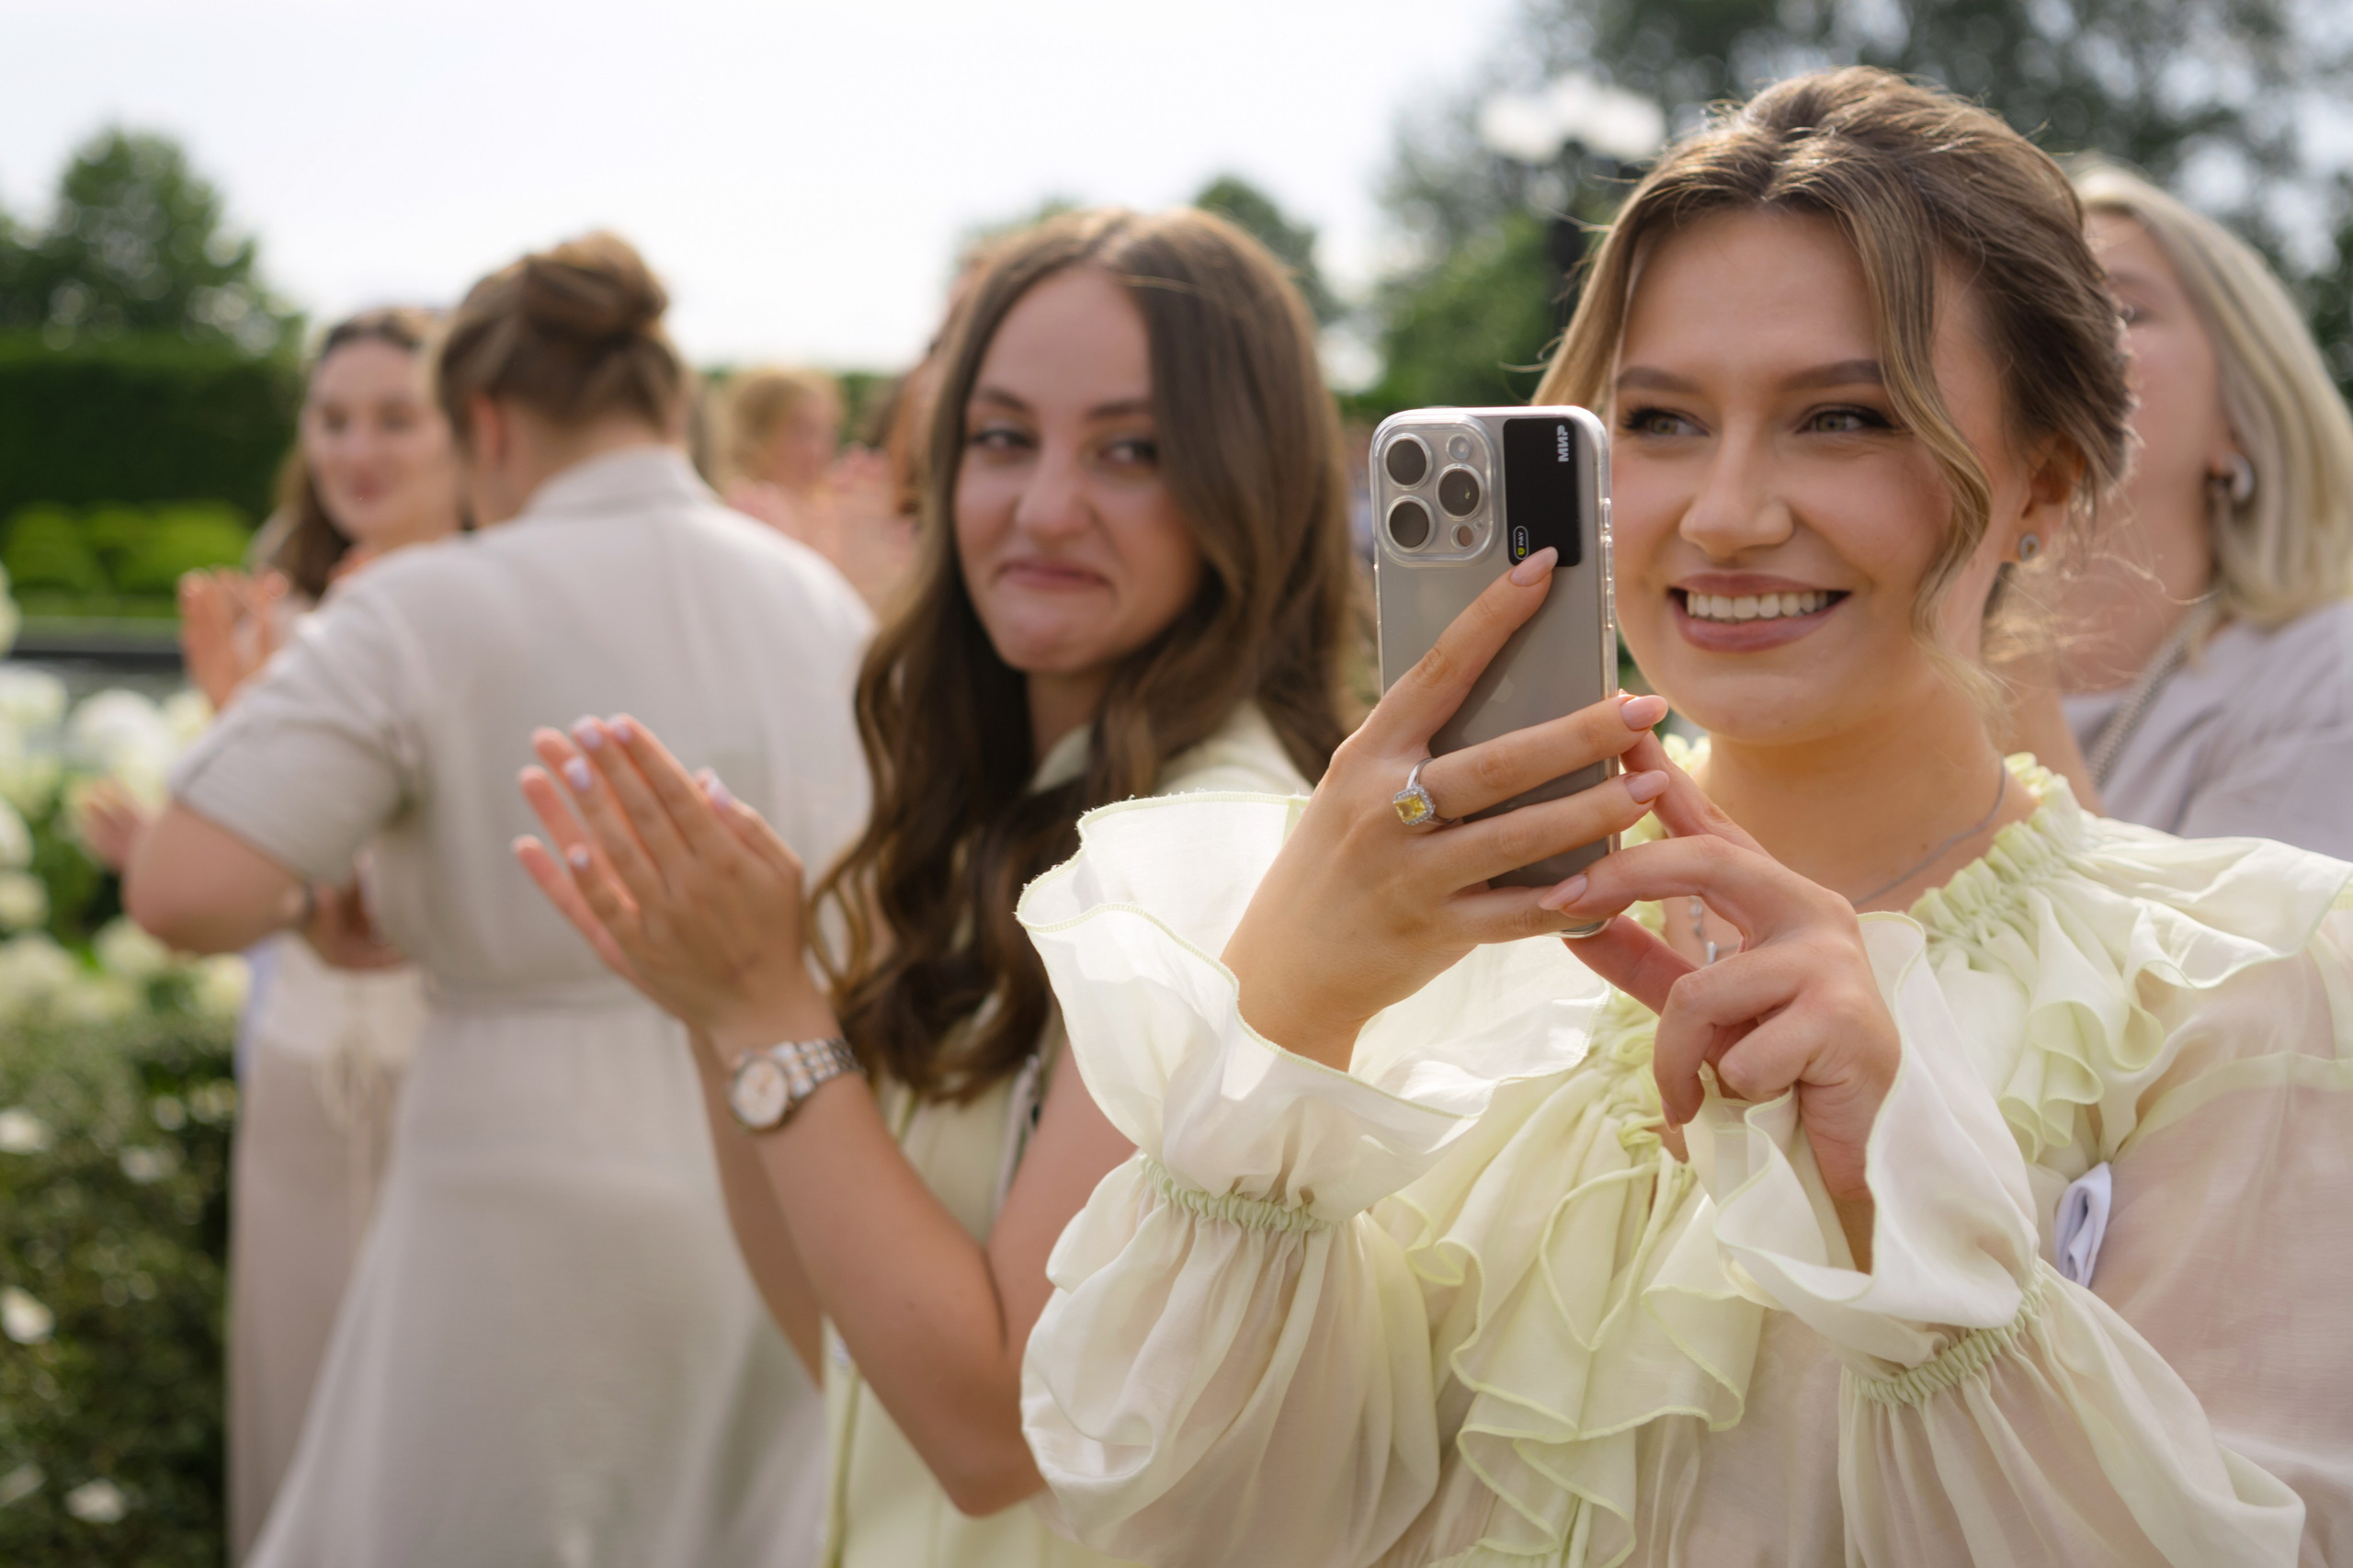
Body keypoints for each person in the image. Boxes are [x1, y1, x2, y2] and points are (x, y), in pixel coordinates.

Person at [1008, 70, 2350, 1565]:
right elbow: (1185, 1517)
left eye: (1842, 417)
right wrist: (1285, 1037)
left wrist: (1902, 1233)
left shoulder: (2239, 973)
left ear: (2044, 477)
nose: (1723, 513)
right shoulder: (1419, 955)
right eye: (1654, 420)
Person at [511, 208, 1358, 1567]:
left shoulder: (1216, 843)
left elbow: (996, 1432)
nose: (1043, 505)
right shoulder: (1008, 802)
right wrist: (709, 997)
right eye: (1003, 437)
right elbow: (851, 1357)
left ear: (1244, 481)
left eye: (1130, 450)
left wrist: (760, 1002)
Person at [123, 233, 866, 1567]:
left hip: (511, 1185)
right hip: (795, 1161)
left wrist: (317, 904)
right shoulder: (822, 603)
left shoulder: (427, 606)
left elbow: (183, 886)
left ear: (483, 419)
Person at [82, 304, 461, 1563]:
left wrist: (277, 883)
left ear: (469, 426)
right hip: (297, 1059)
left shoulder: (491, 617)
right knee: (295, 1403)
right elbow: (268, 900)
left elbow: (409, 905)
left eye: (395, 418)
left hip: (455, 1086)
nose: (359, 448)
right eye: (334, 417)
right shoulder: (276, 612)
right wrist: (186, 851)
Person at [2047, 162, 2353, 856]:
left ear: (2239, 421)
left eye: (2124, 310)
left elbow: (2221, 966)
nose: (2054, 343)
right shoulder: (1884, 661)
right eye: (2028, 316)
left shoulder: (2324, 677)